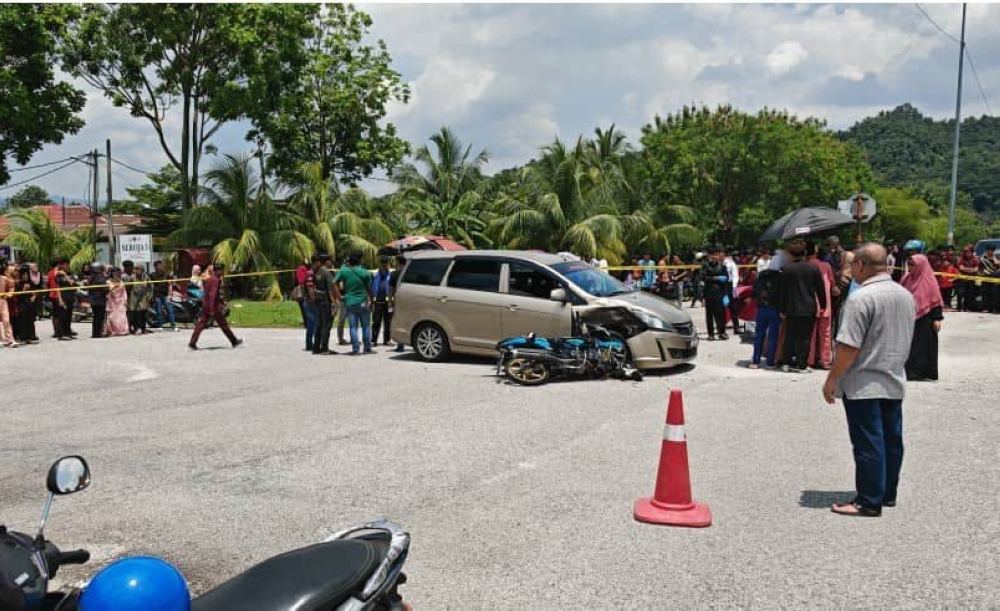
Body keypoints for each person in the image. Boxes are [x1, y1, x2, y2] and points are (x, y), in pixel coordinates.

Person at [822, 243, 915, 517]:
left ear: (860, 265)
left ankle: (868, 501)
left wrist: (832, 379)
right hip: (894, 377)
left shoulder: (861, 298)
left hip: (864, 381)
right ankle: (886, 493)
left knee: (868, 442)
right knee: (891, 439)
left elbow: (849, 346)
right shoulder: (905, 295)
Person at [777, 239, 826, 373]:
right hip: (808, 307)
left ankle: (786, 363)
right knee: (805, 337)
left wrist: (781, 308)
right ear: (805, 252)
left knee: (790, 335)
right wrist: (823, 305)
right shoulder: (813, 268)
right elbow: (820, 289)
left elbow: (782, 291)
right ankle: (801, 364)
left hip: (791, 307)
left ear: (791, 254)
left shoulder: (786, 269)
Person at [900, 253, 943, 381]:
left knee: (922, 347)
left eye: (912, 264)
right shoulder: (906, 278)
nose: (909, 267)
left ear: (921, 266)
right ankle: (908, 371)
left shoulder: (929, 280)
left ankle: (921, 372)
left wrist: (937, 318)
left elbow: (935, 300)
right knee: (908, 346)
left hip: (925, 320)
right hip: (907, 318)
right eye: (909, 264)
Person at [188, 263, 242, 350]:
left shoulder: (209, 279)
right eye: (222, 270)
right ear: (218, 271)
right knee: (223, 324)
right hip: (213, 306)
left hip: (205, 304)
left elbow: (209, 293)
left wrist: (220, 302)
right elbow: (212, 295)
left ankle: (192, 342)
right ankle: (234, 341)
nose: (223, 272)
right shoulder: (216, 280)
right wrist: (212, 308)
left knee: (201, 324)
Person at [334, 251, 374, 355]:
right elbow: (370, 290)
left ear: (350, 261)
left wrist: (339, 296)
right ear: (360, 260)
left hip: (350, 302)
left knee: (353, 326)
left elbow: (333, 282)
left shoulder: (344, 271)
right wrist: (372, 301)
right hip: (363, 302)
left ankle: (355, 349)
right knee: (366, 326)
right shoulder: (366, 272)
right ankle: (367, 348)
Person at [807, 243, 835, 370]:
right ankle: (825, 361)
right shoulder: (826, 266)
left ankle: (810, 359)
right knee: (826, 333)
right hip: (826, 305)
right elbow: (832, 282)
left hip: (810, 304)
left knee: (810, 333)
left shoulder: (806, 265)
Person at [749, 261, 781, 369]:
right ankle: (770, 362)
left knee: (759, 335)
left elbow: (754, 292)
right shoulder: (780, 277)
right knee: (773, 336)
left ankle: (755, 361)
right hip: (774, 310)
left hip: (761, 309)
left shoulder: (761, 276)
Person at [701, 248, 730, 341]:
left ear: (719, 256)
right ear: (710, 256)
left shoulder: (722, 267)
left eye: (716, 255)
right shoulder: (705, 266)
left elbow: (726, 280)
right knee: (709, 315)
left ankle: (722, 332)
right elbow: (703, 277)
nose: (714, 257)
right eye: (713, 255)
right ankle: (711, 334)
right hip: (708, 293)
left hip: (719, 294)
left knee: (721, 315)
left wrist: (725, 295)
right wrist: (716, 278)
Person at [311, 254, 336, 355]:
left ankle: (316, 347)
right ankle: (324, 348)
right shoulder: (326, 273)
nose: (331, 263)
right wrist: (334, 303)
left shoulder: (317, 273)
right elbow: (331, 290)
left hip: (319, 301)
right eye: (330, 261)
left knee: (319, 324)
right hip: (326, 301)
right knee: (327, 325)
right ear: (326, 262)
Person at [371, 255, 394, 346]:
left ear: (388, 264)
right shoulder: (374, 274)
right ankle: (373, 340)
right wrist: (371, 300)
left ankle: (387, 340)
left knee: (388, 322)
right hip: (377, 301)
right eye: (382, 263)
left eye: (386, 263)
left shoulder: (391, 274)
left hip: (388, 302)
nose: (384, 265)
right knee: (376, 322)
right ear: (380, 263)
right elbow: (370, 287)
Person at [150, 260, 178, 331]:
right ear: (155, 267)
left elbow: (170, 285)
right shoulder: (152, 275)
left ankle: (173, 326)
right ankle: (160, 326)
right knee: (159, 311)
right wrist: (151, 296)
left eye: (161, 265)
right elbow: (150, 286)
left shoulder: (166, 275)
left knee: (169, 310)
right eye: (159, 265)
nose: (160, 266)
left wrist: (169, 295)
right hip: (157, 295)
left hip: (165, 295)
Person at [14, 264, 39, 344]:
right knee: (23, 320)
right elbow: (17, 295)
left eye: (27, 274)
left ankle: (31, 335)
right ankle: (23, 337)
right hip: (21, 304)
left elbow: (36, 290)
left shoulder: (30, 282)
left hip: (29, 304)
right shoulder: (18, 283)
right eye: (24, 274)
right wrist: (23, 289)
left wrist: (34, 296)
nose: (26, 276)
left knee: (30, 320)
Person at [103, 267, 129, 336]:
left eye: (118, 273)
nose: (116, 274)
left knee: (122, 316)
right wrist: (113, 288)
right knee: (112, 317)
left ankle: (122, 331)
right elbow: (107, 292)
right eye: (114, 272)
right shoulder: (108, 282)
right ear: (112, 273)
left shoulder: (121, 282)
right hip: (112, 301)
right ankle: (111, 331)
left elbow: (124, 292)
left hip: (120, 301)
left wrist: (125, 300)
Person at [390, 255, 407, 352]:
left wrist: (390, 301)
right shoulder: (410, 272)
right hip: (410, 300)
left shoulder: (394, 274)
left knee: (400, 322)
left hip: (399, 300)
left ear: (398, 262)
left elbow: (391, 289)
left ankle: (401, 345)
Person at [128, 265, 153, 335]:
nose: (136, 271)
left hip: (144, 299)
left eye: (138, 269)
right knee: (135, 315)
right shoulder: (132, 277)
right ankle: (136, 328)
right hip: (134, 299)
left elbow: (151, 286)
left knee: (143, 315)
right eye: (135, 269)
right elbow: (128, 287)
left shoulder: (146, 277)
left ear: (142, 270)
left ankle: (143, 329)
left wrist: (149, 295)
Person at [88, 262, 109, 338]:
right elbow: (105, 289)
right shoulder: (100, 277)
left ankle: (96, 333)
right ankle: (97, 333)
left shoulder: (91, 277)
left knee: (96, 317)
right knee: (99, 317)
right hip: (99, 300)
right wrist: (108, 288)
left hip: (94, 300)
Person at [978, 244, 1000, 313]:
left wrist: (995, 260)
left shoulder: (996, 258)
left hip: (995, 278)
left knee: (994, 293)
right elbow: (980, 270)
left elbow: (998, 267)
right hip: (985, 278)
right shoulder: (983, 259)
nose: (990, 252)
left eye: (992, 250)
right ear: (986, 250)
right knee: (985, 293)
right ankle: (985, 307)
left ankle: (994, 308)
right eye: (989, 250)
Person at [723, 251, 741, 334]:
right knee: (723, 307)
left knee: (732, 308)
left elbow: (735, 276)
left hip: (729, 287)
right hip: (722, 287)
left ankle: (736, 328)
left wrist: (733, 288)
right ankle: (722, 329)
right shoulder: (719, 263)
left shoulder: (731, 263)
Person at [0, 263, 17, 347]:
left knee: (6, 321)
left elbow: (11, 286)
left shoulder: (4, 278)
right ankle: (0, 340)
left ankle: (10, 340)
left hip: (3, 300)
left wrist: (10, 293)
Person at [301, 261, 317, 352]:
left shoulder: (308, 273)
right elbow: (310, 288)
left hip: (307, 301)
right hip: (310, 302)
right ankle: (312, 344)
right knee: (313, 323)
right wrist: (314, 299)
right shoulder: (310, 274)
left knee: (311, 323)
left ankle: (309, 344)